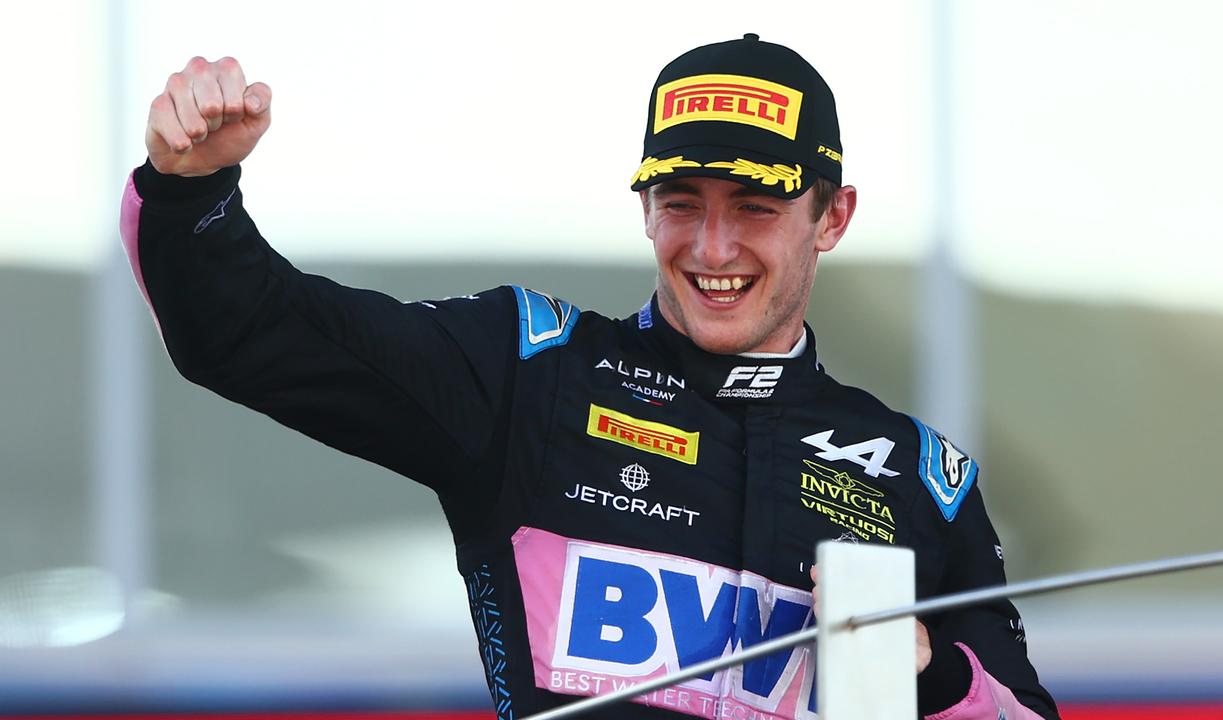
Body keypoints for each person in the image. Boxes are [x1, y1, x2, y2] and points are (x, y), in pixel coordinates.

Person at [121, 34, 1058, 720]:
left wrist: (937, 683)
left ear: (834, 216)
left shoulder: (918, 478)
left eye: (757, 207)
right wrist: (189, 191)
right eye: (681, 203)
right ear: (645, 208)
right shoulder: (531, 373)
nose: (713, 246)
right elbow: (249, 334)